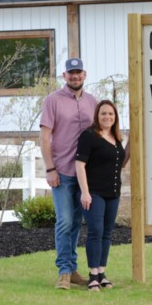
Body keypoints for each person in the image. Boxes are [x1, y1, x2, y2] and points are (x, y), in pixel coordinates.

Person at [39, 58, 98, 290]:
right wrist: (50, 168)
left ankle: (72, 270)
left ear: (85, 74)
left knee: (76, 223)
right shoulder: (53, 101)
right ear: (64, 76)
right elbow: (45, 137)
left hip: (86, 174)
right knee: (64, 221)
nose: (75, 77)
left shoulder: (93, 102)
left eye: (79, 72)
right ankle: (63, 271)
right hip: (62, 172)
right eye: (71, 73)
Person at [75, 100, 127, 291]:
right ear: (97, 115)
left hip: (113, 193)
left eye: (111, 114)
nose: (107, 117)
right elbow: (79, 165)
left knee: (107, 233)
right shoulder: (89, 136)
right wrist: (85, 193)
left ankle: (102, 273)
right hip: (93, 193)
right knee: (95, 232)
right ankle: (93, 275)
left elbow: (121, 162)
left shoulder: (117, 138)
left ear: (116, 117)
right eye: (104, 113)